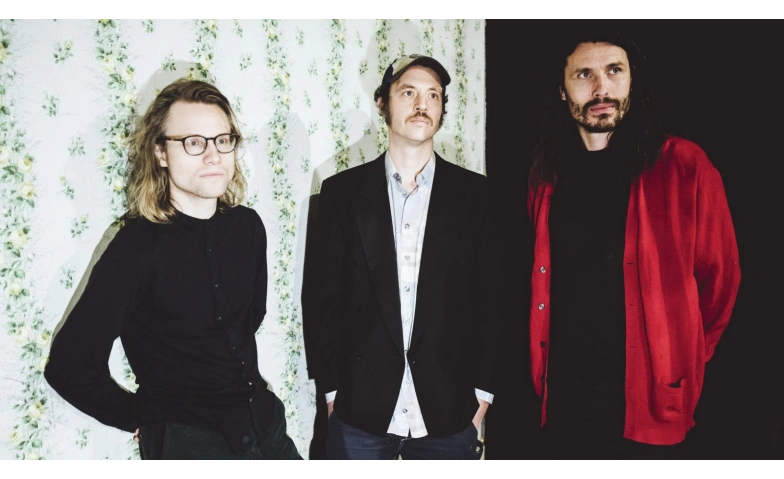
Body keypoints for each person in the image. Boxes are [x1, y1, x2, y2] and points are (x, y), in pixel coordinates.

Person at [44, 79, 301, 463]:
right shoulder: (135, 247)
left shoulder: (248, 227)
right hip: (189, 444)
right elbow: (69, 366)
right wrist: (138, 416)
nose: (213, 155)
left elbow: (249, 317)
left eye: (222, 140)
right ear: (160, 152)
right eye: (194, 142)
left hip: (266, 426)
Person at [526, 27, 741, 463]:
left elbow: (721, 284)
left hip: (652, 406)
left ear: (631, 80)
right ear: (563, 90)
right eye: (584, 74)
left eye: (614, 71)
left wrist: (682, 356)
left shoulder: (685, 166)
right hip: (564, 402)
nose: (601, 88)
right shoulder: (546, 178)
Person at [308, 54, 503, 462]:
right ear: (382, 103)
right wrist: (332, 394)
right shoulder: (342, 193)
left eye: (433, 95)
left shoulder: (477, 196)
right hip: (359, 415)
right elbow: (322, 300)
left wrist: (482, 398)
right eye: (409, 92)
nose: (422, 104)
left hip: (450, 414)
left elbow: (494, 303)